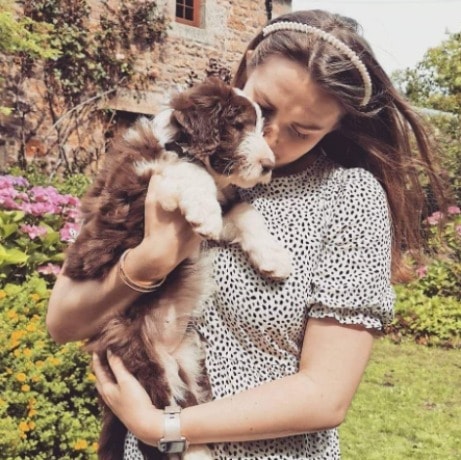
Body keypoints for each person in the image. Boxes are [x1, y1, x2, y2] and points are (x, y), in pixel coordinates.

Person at [46, 9, 448, 460]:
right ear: (247, 63)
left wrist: (162, 427)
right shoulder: (169, 154)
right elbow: (63, 322)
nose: (269, 140)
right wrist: (148, 262)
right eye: (264, 109)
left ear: (336, 126)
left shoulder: (349, 196)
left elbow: (325, 394)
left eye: (302, 131)